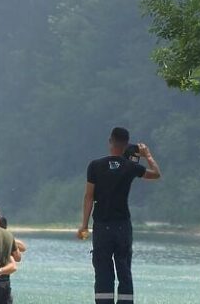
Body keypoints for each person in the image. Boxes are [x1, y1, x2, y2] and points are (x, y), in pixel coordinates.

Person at [77, 127, 161, 304]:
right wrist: (148, 155)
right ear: (126, 144)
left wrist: (84, 225)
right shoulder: (131, 166)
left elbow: (89, 196)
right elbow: (155, 174)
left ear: (110, 141)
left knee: (103, 269)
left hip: (101, 225)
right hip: (122, 225)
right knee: (124, 269)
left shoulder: (95, 165)